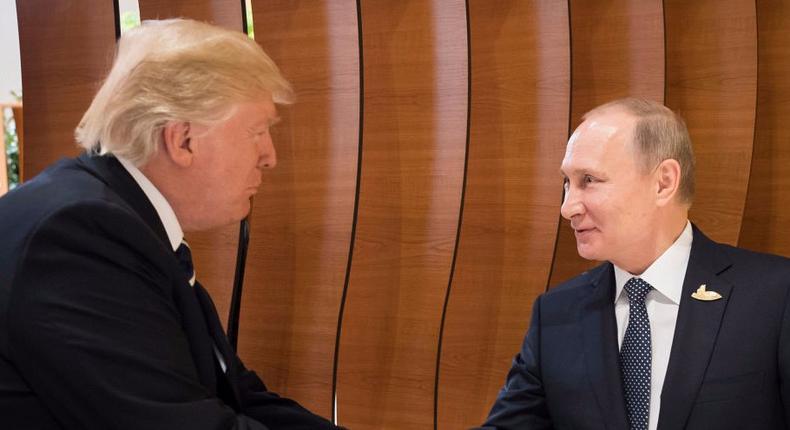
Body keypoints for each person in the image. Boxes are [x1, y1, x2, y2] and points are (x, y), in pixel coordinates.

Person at [0, 19, 340, 430]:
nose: (269, 157)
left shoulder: (117, 219)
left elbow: (239, 395)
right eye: (257, 131)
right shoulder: (78, 235)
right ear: (182, 140)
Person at [481, 98, 790, 429]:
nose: (568, 207)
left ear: (663, 182)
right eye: (567, 183)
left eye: (588, 180)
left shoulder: (775, 296)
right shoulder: (555, 314)